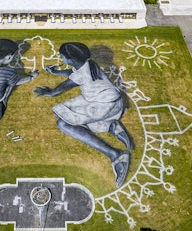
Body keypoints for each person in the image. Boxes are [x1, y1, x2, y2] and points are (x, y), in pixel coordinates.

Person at [34, 42, 134, 187]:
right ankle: (111, 125)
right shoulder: (89, 64)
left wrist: (48, 92)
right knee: (67, 114)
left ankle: (116, 155)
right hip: (112, 102)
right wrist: (58, 72)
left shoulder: (81, 74)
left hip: (103, 106)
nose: (61, 59)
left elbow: (60, 89)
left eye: (62, 57)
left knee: (63, 123)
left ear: (71, 60)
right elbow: (73, 74)